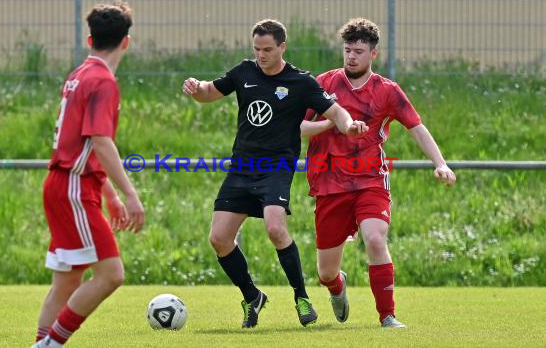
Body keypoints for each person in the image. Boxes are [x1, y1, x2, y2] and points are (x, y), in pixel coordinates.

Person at [182, 19, 368, 328]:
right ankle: (252, 296)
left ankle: (301, 296)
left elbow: (335, 111)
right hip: (242, 166)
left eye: (268, 49)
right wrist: (195, 88)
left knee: (275, 228)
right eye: (257, 49)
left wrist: (348, 126)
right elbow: (209, 93)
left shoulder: (300, 82)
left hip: (276, 166)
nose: (261, 55)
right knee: (219, 238)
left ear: (282, 47)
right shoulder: (244, 72)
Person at [301, 18, 456, 328]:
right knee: (325, 272)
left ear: (373, 53)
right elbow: (299, 128)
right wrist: (335, 122)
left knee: (375, 238)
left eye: (358, 51)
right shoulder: (323, 85)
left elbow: (417, 127)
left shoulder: (387, 90)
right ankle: (337, 286)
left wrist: (440, 163)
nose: (351, 57)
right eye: (347, 50)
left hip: (370, 179)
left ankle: (387, 316)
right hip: (329, 182)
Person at [29, 1, 144, 348]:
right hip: (75, 187)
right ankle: (49, 346)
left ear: (90, 38)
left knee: (66, 282)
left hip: (65, 184)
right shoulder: (103, 81)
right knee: (111, 274)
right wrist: (129, 193)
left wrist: (108, 193)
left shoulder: (79, 74)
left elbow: (82, 142)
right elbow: (99, 140)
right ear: (126, 42)